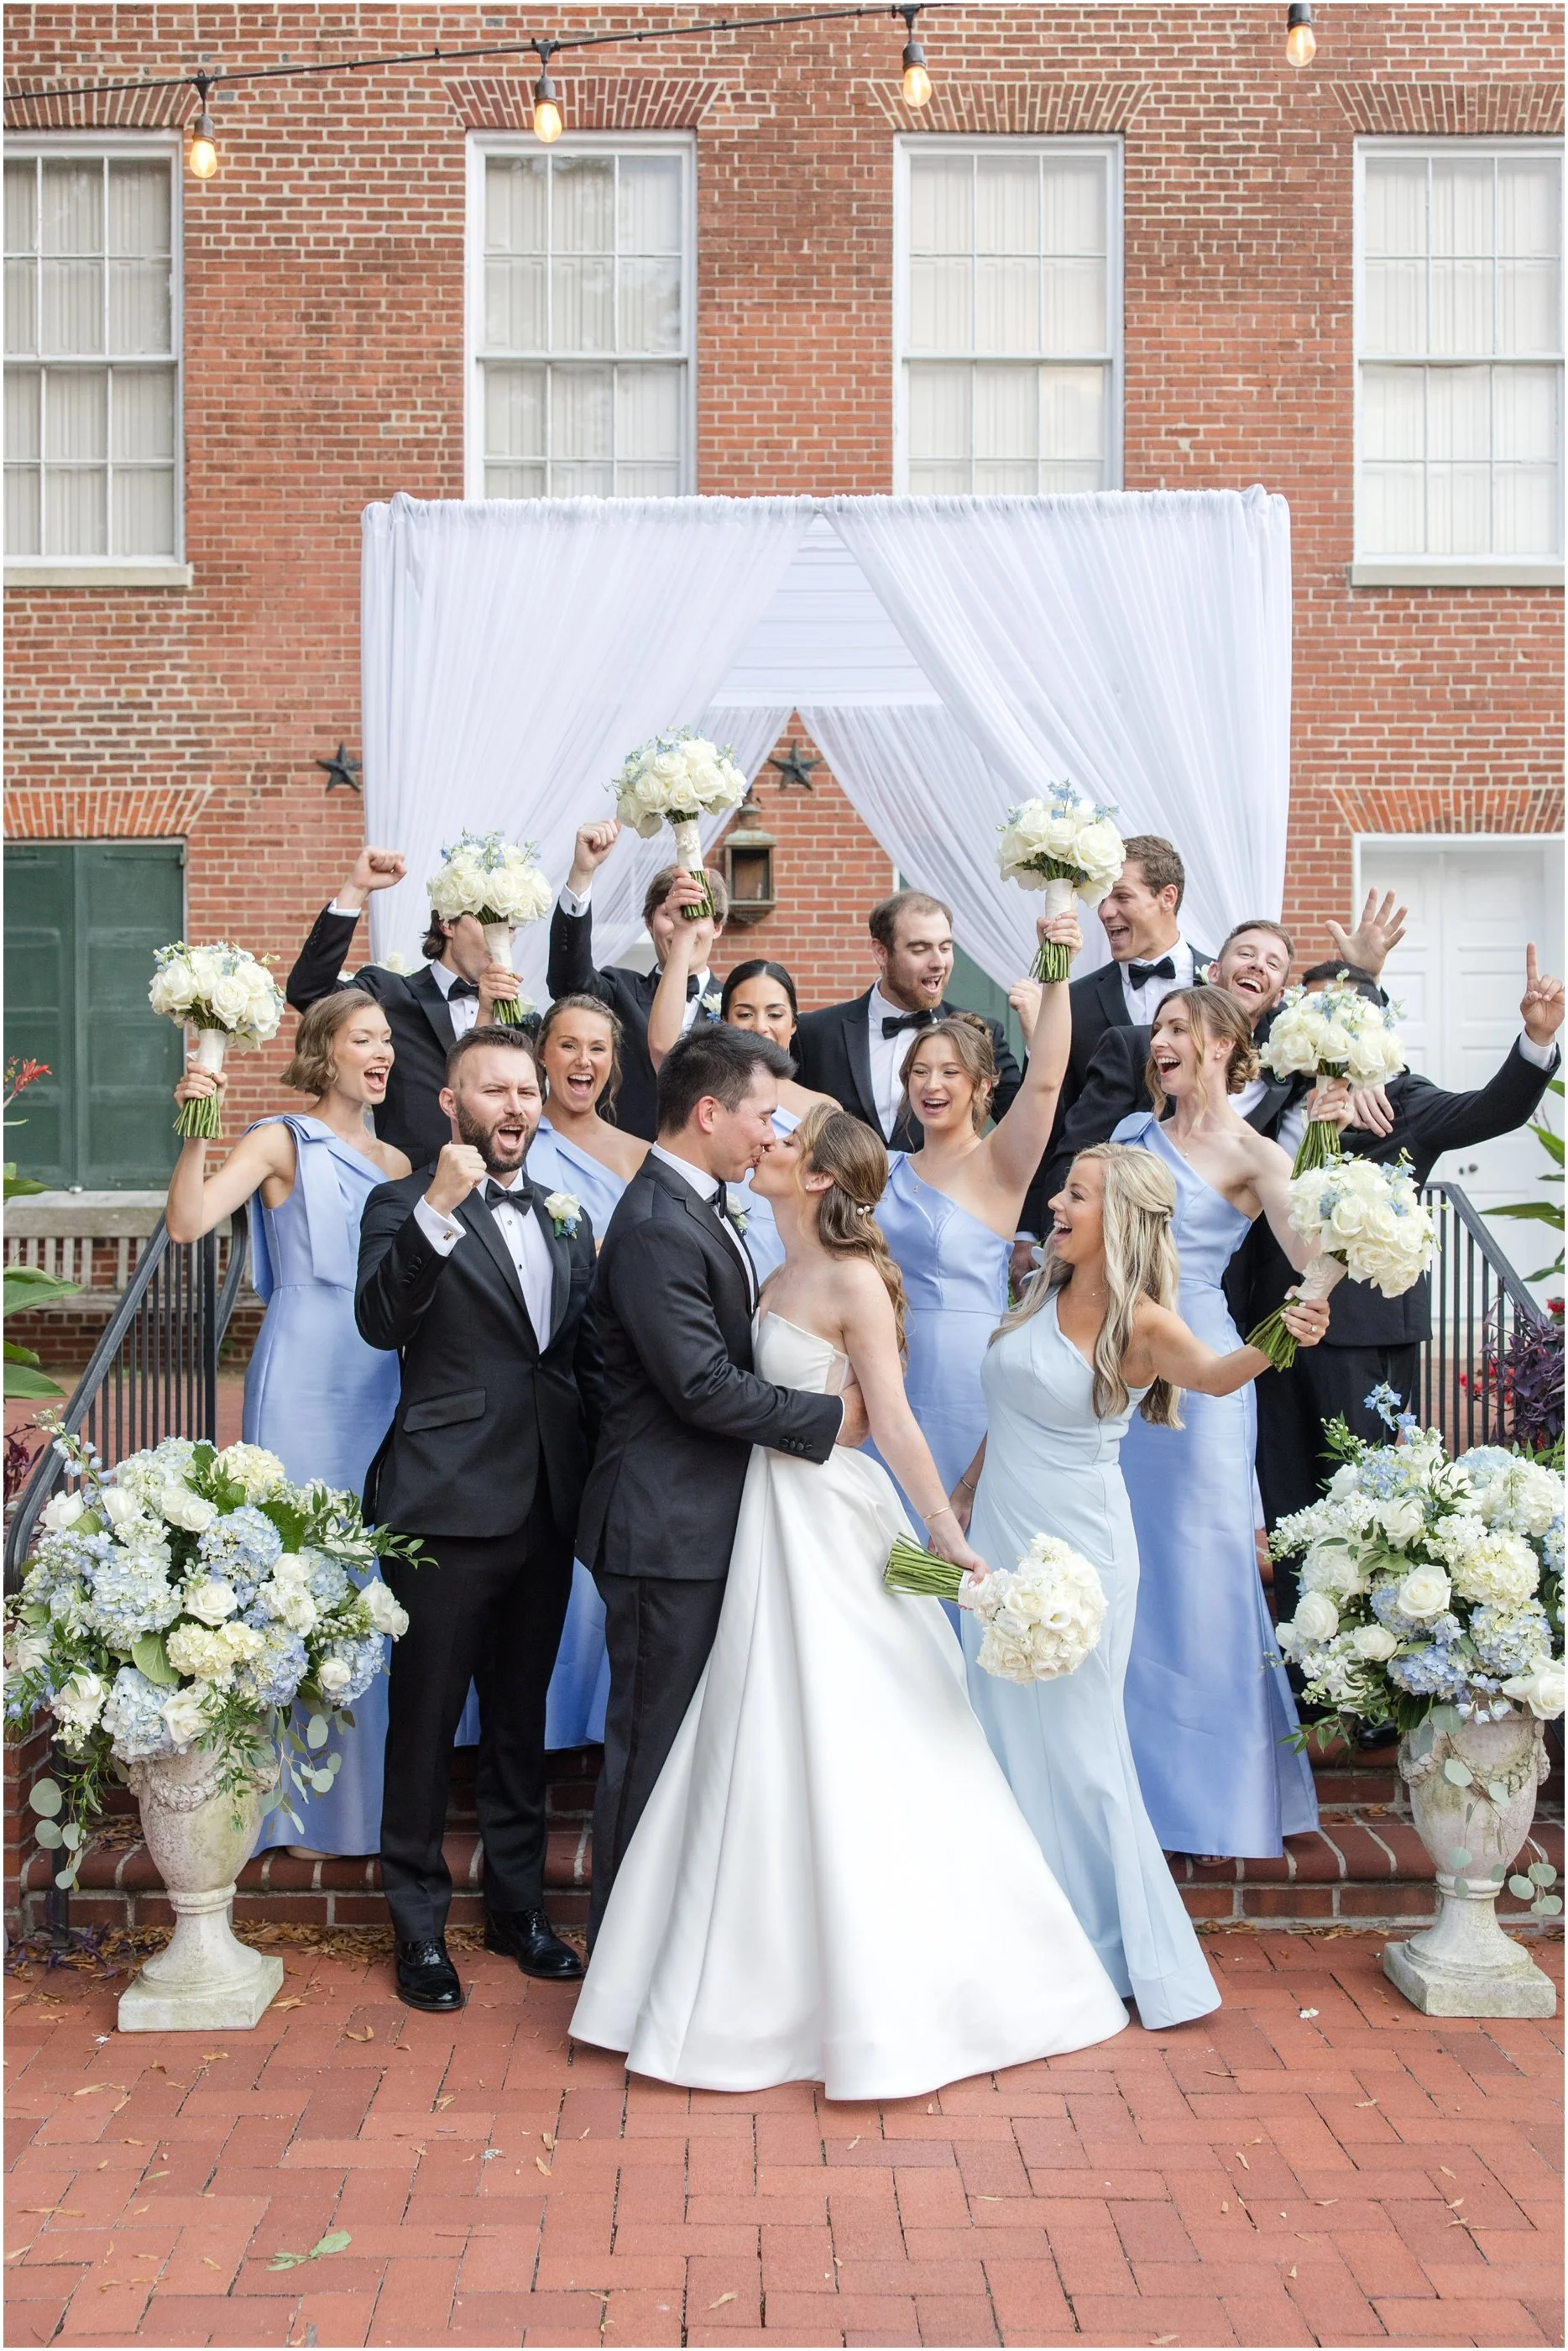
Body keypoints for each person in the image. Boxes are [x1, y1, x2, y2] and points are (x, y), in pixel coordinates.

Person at [570, 1107, 1130, 2096]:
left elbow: (892, 1421)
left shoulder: (852, 1279)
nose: (763, 1144)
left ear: (822, 1177)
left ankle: (906, 1985)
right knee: (760, 1739)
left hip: (831, 1516)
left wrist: (948, 1541)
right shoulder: (766, 1264)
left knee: (862, 1725)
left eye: (783, 1141)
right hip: (762, 1519)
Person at [949, 1143, 1330, 2027]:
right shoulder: (1037, 1287)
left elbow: (1218, 1374)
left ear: (1115, 1215)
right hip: (1001, 1535)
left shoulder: (1144, 1321)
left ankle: (1114, 1946)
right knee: (997, 1733)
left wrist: (1291, 1321)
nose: (1053, 1202)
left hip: (1080, 1558)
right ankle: (1023, 1932)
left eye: (1074, 1194)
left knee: (1081, 1753)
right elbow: (1007, 1407)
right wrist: (962, 1495)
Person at [577, 1025, 860, 1945]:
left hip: (705, 1519)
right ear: (708, 1113)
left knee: (685, 1749)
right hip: (663, 1528)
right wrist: (829, 1422)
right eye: (759, 1115)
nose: (766, 1133)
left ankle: (668, 1939)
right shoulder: (660, 1223)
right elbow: (697, 1384)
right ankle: (623, 1952)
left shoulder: (698, 1205)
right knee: (648, 1751)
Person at [355, 1026, 604, 2013]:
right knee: (420, 1725)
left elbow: (576, 1355)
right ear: (452, 1104)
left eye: (527, 1090)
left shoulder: (567, 1213)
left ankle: (516, 1908)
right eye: (493, 1090)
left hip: (546, 1498)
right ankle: (417, 1929)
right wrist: (439, 1206)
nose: (516, 1107)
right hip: (444, 1501)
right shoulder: (400, 1203)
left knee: (517, 1720)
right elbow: (381, 1320)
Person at [165, 991, 406, 1859]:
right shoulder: (278, 1138)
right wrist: (197, 1121)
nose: (381, 1052)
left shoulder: (397, 1157)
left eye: (387, 1040)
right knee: (289, 1570)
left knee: (362, 1577)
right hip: (302, 1370)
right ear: (324, 1049)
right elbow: (189, 1221)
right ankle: (274, 1808)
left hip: (380, 1373)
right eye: (363, 1038)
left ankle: (353, 1813)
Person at [1250, 943, 1565, 1595]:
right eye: (1311, 1010)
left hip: (1362, 1337)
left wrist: (1535, 1040)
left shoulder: (1401, 1103)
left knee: (1355, 1504)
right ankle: (1294, 1666)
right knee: (1282, 1501)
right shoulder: (1268, 1100)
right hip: (1268, 1328)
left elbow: (1490, 1110)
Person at [1110, 989, 1325, 1861]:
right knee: (1124, 1574)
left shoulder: (1254, 1154)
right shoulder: (1127, 1137)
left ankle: (1210, 1803)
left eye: (1174, 1030)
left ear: (1224, 1046)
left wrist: (1285, 1330)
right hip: (1117, 1372)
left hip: (1201, 1383)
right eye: (1155, 1029)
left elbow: (1317, 1262)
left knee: (1198, 1579)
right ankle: (1130, 1792)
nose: (1156, 1041)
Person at [872, 911, 1082, 1551]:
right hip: (890, 1371)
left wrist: (1058, 967)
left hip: (967, 1382)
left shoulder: (999, 1165)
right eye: (919, 1073)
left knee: (961, 1551)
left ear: (984, 1086)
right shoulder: (882, 1167)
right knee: (891, 1552)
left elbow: (1046, 1077)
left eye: (949, 1073)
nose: (931, 1086)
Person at [1040, 894, 1409, 1203]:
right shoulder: (1137, 1045)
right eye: (1246, 954)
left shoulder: (1290, 1059)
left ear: (1280, 996)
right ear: (1213, 971)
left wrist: (1365, 978)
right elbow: (1078, 1150)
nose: (1257, 965)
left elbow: (1356, 1049)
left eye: (1272, 963)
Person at [525, 994, 648, 1751]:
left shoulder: (637, 1155)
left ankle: (589, 1717)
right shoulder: (513, 1144)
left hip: (608, 1366)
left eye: (597, 1049)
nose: (582, 1062)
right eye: (567, 1046)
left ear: (614, 1063)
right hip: (535, 1358)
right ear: (543, 1056)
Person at [286, 846, 527, 1166]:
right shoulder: (390, 994)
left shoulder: (523, 1020)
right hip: (409, 1187)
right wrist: (356, 889)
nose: (502, 938)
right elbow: (308, 991)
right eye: (487, 921)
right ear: (447, 924)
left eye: (509, 928)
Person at [647, 898, 837, 1278]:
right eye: (745, 1014)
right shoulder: (705, 1087)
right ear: (725, 1021)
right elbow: (662, 1048)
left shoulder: (824, 1109)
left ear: (794, 1024)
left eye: (775, 1014)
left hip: (793, 1270)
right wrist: (685, 935)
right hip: (710, 1255)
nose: (761, 1026)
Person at [792, 889, 1023, 1149]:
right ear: (881, 952)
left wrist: (1039, 1038)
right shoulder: (814, 1034)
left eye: (945, 948)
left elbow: (1026, 1125)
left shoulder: (980, 1033)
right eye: (920, 949)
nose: (939, 963)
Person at [546, 819, 729, 1141]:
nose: (682, 926)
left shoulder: (736, 1007)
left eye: (696, 916)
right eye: (670, 914)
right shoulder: (619, 991)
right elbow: (567, 983)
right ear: (649, 923)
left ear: (717, 927)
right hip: (619, 1165)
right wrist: (582, 874)